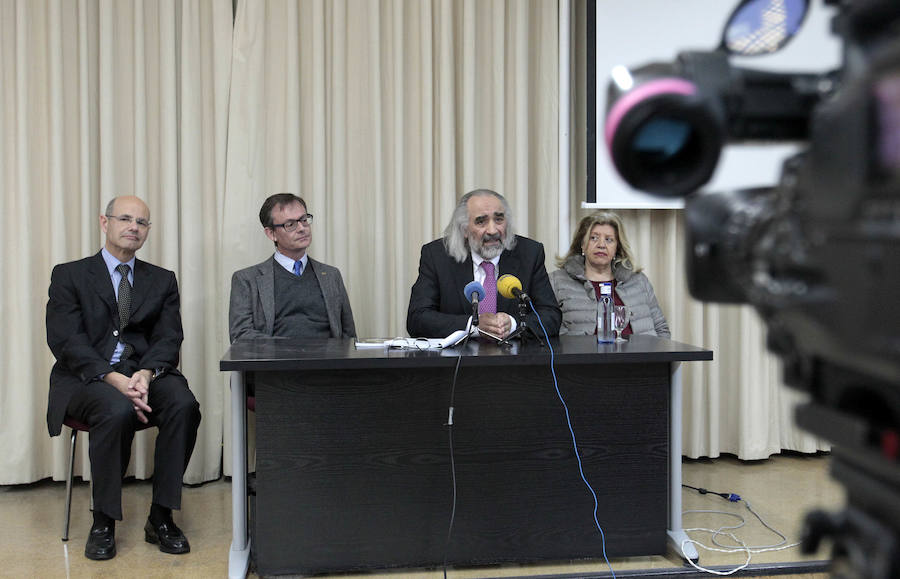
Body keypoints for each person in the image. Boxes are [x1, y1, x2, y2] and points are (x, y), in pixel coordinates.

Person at [46, 196, 202, 561]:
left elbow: (169, 337)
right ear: (105, 223)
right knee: (115, 410)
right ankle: (103, 522)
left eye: (142, 222)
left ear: (148, 231)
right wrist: (111, 377)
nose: (134, 227)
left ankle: (161, 516)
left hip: (144, 373)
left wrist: (146, 373)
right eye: (125, 219)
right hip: (86, 378)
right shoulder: (69, 275)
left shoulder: (162, 280)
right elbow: (66, 340)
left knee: (183, 404)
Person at [407, 188, 561, 339]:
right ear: (464, 229)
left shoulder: (529, 253)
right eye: (481, 221)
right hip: (458, 355)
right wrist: (473, 325)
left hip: (514, 354)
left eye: (499, 219)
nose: (492, 230)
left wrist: (514, 324)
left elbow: (551, 316)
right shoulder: (437, 256)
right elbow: (417, 319)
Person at [229, 193, 356, 343]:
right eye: (290, 224)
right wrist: (292, 350)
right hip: (275, 357)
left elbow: (349, 337)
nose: (302, 228)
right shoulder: (246, 280)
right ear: (271, 234)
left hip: (328, 357)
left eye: (304, 220)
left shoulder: (331, 275)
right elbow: (241, 336)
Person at [550, 211, 670, 337]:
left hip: (641, 350)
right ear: (582, 244)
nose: (601, 245)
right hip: (582, 351)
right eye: (593, 238)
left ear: (617, 247)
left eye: (609, 240)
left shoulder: (639, 281)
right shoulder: (557, 281)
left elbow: (661, 329)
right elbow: (549, 333)